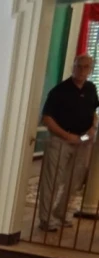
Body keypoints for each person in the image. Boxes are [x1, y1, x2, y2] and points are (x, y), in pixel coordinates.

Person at [38, 54, 99, 231]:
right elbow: (47, 119)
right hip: (60, 141)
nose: (81, 70)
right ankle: (47, 219)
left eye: (86, 67)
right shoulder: (59, 91)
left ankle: (61, 213)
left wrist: (92, 128)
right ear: (73, 67)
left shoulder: (91, 88)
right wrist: (66, 135)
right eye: (78, 66)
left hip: (83, 142)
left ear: (91, 70)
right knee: (53, 180)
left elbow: (92, 112)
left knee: (75, 181)